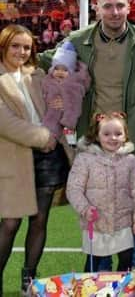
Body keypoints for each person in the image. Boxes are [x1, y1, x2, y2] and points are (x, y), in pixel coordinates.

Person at [40, 0, 135, 270]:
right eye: (108, 6)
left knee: (130, 211)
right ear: (97, 8)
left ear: (129, 7)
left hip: (129, 143)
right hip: (92, 143)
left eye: (120, 6)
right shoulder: (79, 40)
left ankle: (130, 274)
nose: (115, 12)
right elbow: (48, 60)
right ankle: (97, 273)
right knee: (96, 212)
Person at [0, 25, 67, 296]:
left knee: (40, 220)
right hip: (14, 158)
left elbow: (56, 106)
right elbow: (5, 122)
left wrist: (57, 127)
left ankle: (29, 279)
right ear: (4, 46)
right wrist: (43, 137)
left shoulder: (38, 74)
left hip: (48, 158)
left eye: (26, 47)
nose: (21, 51)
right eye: (15, 46)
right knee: (11, 221)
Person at [66, 112, 135, 272]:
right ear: (97, 135)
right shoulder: (85, 159)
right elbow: (74, 188)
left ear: (125, 136)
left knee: (126, 260)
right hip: (96, 222)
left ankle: (123, 290)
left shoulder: (130, 161)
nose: (113, 138)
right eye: (107, 134)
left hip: (123, 221)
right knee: (93, 262)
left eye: (118, 134)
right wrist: (84, 208)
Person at [41, 41, 91, 143]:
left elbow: (75, 104)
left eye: (65, 70)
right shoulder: (48, 80)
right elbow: (42, 93)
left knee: (66, 137)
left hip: (66, 117)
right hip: (49, 114)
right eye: (57, 69)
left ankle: (65, 144)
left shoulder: (73, 85)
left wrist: (69, 120)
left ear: (71, 72)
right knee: (48, 130)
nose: (60, 72)